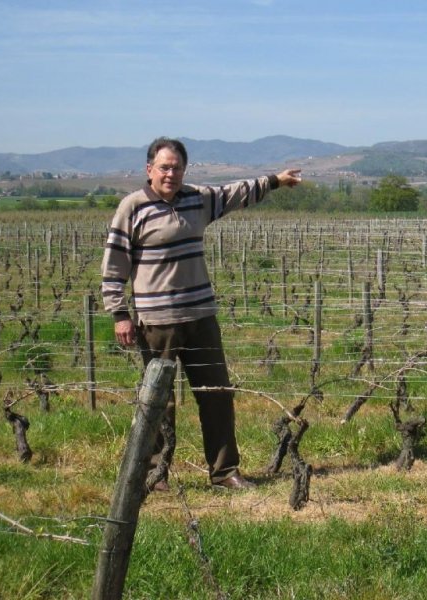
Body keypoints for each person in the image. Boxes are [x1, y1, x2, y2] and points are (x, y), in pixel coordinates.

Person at [101, 136, 301, 491]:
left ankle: (225, 472)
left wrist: (275, 180)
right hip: (156, 321)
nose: (171, 173)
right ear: (149, 169)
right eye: (164, 167)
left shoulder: (197, 199)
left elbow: (235, 192)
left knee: (217, 394)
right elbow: (115, 264)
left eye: (177, 167)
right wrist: (119, 314)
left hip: (201, 316)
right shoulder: (132, 207)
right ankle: (154, 473)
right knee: (158, 401)